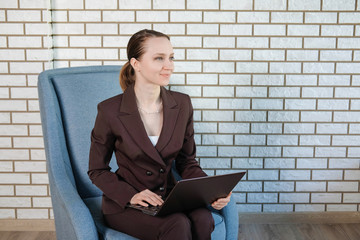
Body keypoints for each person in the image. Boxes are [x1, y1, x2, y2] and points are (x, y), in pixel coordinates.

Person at [88, 29, 231, 240]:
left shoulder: (182, 104)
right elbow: (97, 170)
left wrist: (211, 191)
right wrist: (131, 195)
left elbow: (187, 162)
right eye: (159, 58)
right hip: (127, 203)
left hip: (171, 198)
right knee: (178, 224)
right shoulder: (109, 110)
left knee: (203, 218)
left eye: (171, 57)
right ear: (136, 64)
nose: (169, 65)